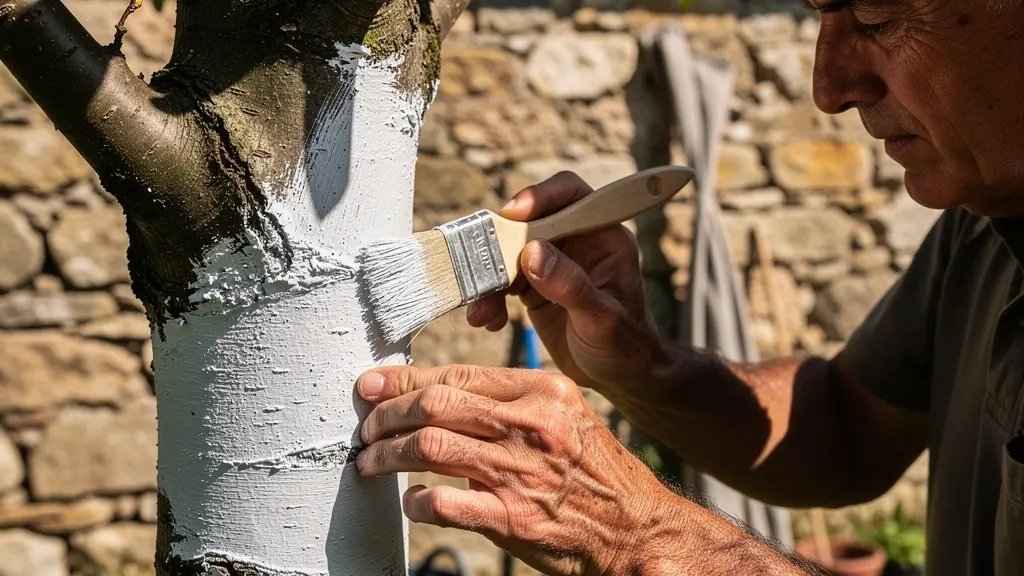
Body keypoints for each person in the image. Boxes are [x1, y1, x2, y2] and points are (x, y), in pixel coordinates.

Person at [354, 0, 1024, 572]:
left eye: (877, 17)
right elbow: (846, 426)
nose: (829, 87)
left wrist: (643, 538)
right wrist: (645, 367)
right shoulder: (985, 223)